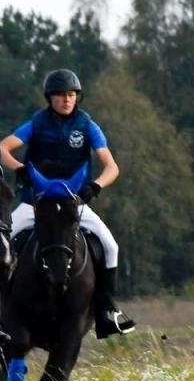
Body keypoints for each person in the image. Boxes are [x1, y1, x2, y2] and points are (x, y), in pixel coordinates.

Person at [0, 69, 137, 337]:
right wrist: (20, 169)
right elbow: (3, 148)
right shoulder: (37, 123)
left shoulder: (87, 125)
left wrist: (95, 186)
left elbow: (111, 166)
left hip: (73, 204)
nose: (67, 99)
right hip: (35, 203)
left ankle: (107, 311)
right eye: (61, 95)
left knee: (110, 245)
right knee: (4, 244)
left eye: (72, 95)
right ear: (50, 98)